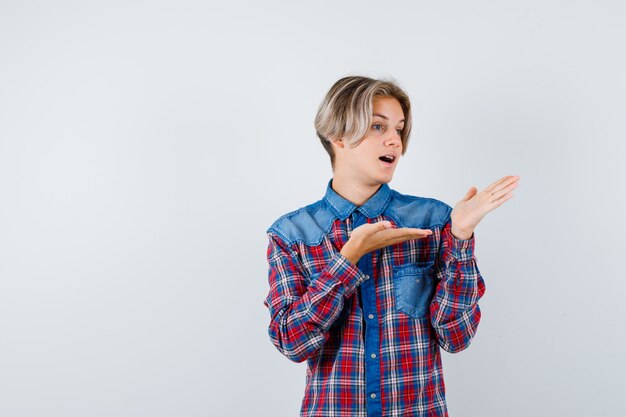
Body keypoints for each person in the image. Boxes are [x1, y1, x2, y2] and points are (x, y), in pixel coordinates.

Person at [263, 75, 519, 417]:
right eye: (378, 127)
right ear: (338, 135)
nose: (395, 141)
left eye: (399, 129)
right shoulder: (292, 234)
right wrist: (348, 259)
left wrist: (460, 236)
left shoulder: (432, 220)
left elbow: (456, 336)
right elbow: (292, 342)